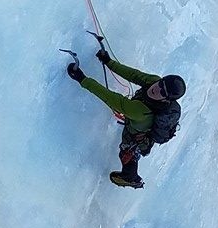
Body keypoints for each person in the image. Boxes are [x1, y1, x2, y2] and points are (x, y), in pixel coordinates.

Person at [66, 44, 186, 188]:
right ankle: (133, 167)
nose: (157, 89)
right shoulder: (153, 81)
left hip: (138, 135)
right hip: (143, 127)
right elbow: (133, 75)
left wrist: (83, 80)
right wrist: (109, 62)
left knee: (126, 151)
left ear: (167, 100)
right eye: (161, 84)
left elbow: (111, 98)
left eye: (163, 92)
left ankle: (131, 177)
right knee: (131, 147)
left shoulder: (140, 111)